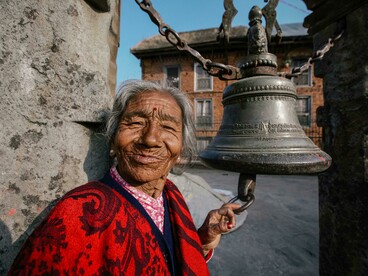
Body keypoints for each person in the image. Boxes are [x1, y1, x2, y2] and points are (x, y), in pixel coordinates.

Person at [9, 80, 240, 275]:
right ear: (113, 137)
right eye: (136, 123)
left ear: (181, 145)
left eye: (168, 127)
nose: (150, 139)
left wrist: (205, 238)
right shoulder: (79, 212)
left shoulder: (171, 194)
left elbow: (168, 259)